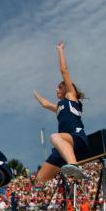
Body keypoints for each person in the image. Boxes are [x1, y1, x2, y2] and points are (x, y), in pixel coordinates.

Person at [33, 40, 90, 182]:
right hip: (64, 145)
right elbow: (45, 104)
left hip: (76, 138)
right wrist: (34, 93)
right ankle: (70, 168)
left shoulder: (71, 96)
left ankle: (74, 167)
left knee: (54, 136)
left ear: (66, 88)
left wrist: (60, 50)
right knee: (39, 179)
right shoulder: (59, 106)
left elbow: (64, 70)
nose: (56, 90)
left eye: (59, 87)